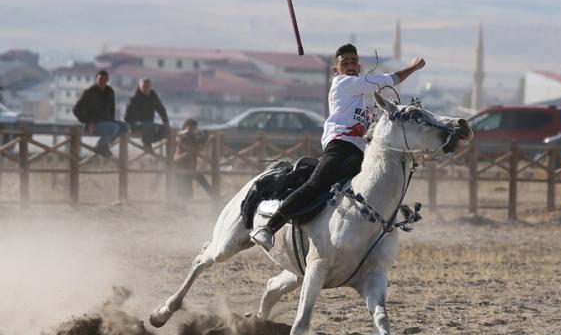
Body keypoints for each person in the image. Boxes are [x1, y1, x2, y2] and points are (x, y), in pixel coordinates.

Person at [250, 44, 426, 251]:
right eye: (345, 63)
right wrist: (413, 68)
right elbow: (388, 80)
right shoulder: (344, 83)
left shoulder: (361, 101)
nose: (350, 66)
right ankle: (269, 228)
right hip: (339, 145)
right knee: (316, 184)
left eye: (354, 62)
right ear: (336, 69)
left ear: (359, 67)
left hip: (359, 152)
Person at [72, 70, 130, 158]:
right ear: (96, 79)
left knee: (125, 126)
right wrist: (89, 123)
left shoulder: (110, 91)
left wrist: (112, 120)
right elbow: (76, 109)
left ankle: (105, 145)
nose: (102, 81)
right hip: (94, 124)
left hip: (108, 122)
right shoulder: (89, 92)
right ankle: (100, 146)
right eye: (100, 79)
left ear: (107, 80)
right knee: (114, 127)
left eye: (105, 79)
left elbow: (112, 108)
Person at [124, 78, 170, 154]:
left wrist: (166, 122)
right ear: (140, 87)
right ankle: (147, 144)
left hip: (149, 125)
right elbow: (126, 117)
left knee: (167, 129)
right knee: (151, 126)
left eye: (148, 86)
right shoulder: (134, 100)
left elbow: (162, 110)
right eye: (144, 86)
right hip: (135, 124)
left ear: (150, 87)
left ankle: (150, 140)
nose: (146, 88)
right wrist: (132, 124)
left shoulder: (153, 98)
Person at [174, 119, 214, 200]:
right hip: (182, 168)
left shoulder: (192, 138)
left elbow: (199, 149)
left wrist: (208, 140)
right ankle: (215, 196)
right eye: (191, 128)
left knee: (187, 193)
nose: (193, 130)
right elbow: (177, 158)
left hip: (190, 168)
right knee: (186, 193)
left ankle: (215, 196)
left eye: (194, 128)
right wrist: (188, 152)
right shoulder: (182, 137)